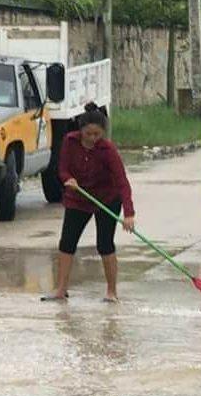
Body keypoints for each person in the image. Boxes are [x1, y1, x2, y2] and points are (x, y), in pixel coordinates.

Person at [42, 103, 135, 303]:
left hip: (106, 200)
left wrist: (129, 214)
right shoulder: (69, 141)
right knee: (67, 243)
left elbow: (122, 182)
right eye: (89, 134)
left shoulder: (108, 149)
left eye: (97, 134)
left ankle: (112, 292)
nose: (93, 138)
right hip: (78, 197)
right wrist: (69, 179)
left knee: (104, 244)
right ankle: (61, 289)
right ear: (80, 130)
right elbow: (63, 168)